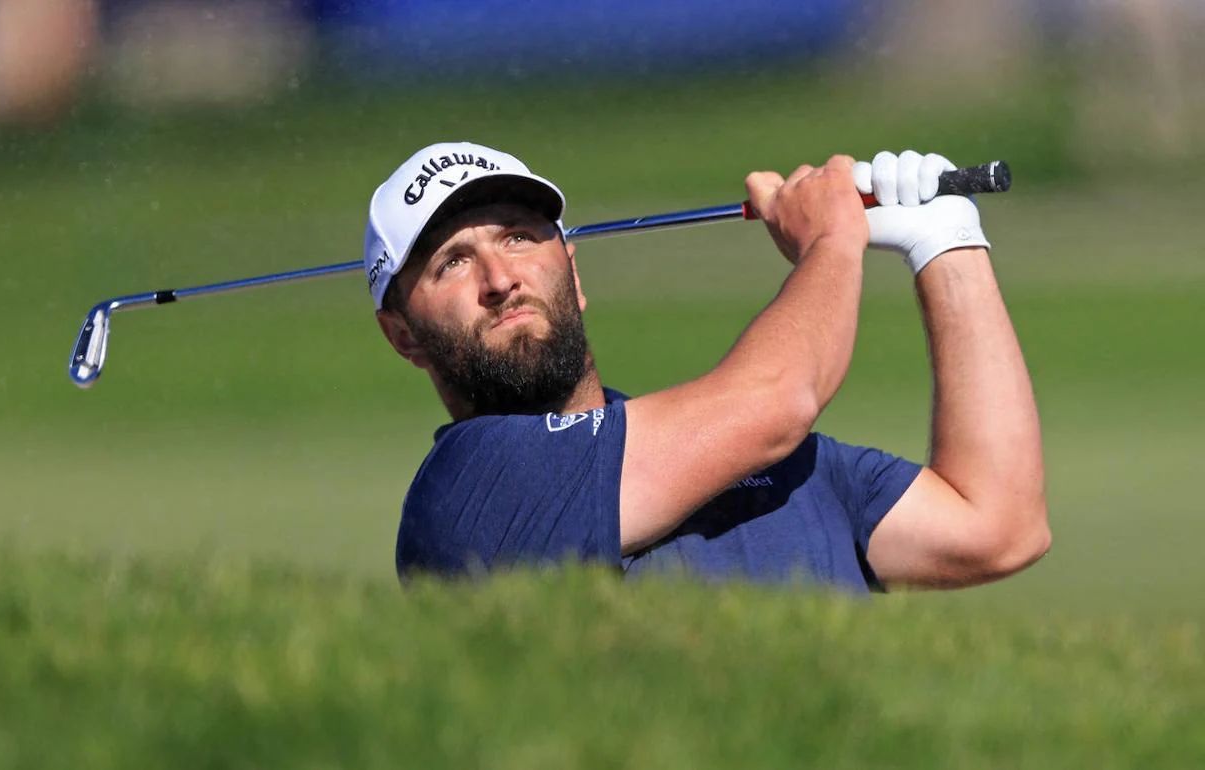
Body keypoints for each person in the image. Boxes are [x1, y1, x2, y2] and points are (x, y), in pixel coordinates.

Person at [366, 141, 1049, 592]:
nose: (500, 277)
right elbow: (779, 399)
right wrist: (833, 237)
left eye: (519, 237)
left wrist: (948, 243)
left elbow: (997, 526)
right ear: (402, 335)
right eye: (451, 261)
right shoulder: (467, 489)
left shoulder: (771, 466)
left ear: (573, 274)